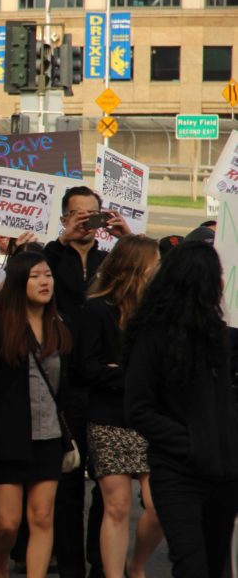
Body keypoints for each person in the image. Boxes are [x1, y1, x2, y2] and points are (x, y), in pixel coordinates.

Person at [125, 241, 238, 578]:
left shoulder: (219, 336)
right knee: (191, 564)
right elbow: (139, 408)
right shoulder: (152, 336)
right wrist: (191, 441)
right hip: (178, 472)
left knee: (217, 564)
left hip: (225, 472)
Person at [42, 185, 130, 578]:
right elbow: (23, 278)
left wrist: (126, 237)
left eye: (93, 215)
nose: (86, 223)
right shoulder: (49, 257)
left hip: (101, 380)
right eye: (78, 215)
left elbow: (149, 276)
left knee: (109, 482)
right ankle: (70, 566)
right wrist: (62, 241)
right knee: (66, 482)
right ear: (64, 217)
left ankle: (101, 560)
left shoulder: (110, 260)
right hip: (60, 382)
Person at [0, 251, 73, 578]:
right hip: (8, 439)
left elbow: (67, 388)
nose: (45, 282)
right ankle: (0, 565)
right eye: (36, 276)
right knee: (8, 523)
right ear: (19, 282)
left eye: (48, 274)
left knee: (42, 518)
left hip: (49, 438)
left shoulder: (59, 326)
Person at [74, 235, 163, 578]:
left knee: (159, 506)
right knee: (117, 506)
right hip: (109, 418)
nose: (159, 270)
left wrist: (126, 372)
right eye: (154, 263)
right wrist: (133, 376)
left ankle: (136, 565)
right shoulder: (96, 309)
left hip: (150, 419)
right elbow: (86, 369)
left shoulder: (156, 312)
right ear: (137, 267)